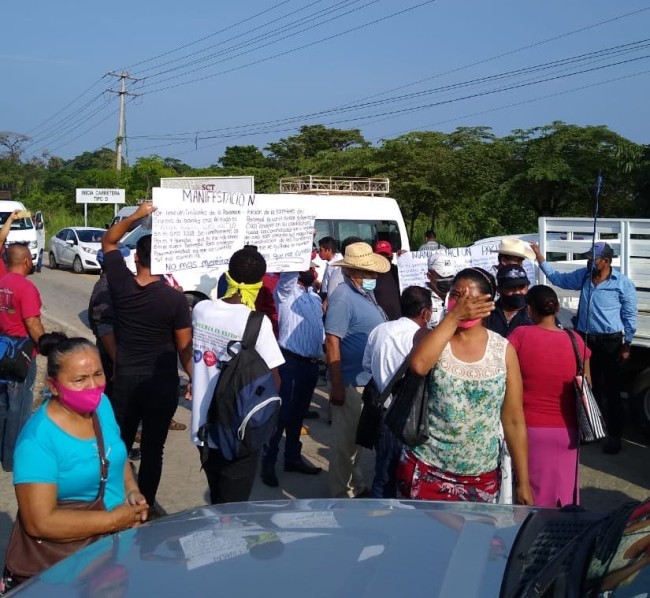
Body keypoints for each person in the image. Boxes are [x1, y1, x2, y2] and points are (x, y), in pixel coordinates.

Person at [3, 334, 147, 590]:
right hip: (67, 568)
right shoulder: (37, 440)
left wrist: (131, 489)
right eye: (80, 379)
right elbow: (40, 522)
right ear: (54, 386)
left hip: (114, 551)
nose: (93, 386)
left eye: (98, 374)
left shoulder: (101, 404)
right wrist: (114, 521)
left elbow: (114, 453)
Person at [398, 267, 533, 505]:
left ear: (487, 304)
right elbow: (419, 365)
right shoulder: (430, 338)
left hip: (481, 477)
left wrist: (523, 482)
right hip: (427, 468)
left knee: (476, 541)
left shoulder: (502, 350)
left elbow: (513, 419)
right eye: (455, 296)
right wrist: (453, 318)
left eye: (468, 298)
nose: (461, 304)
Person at [101, 201, 193, 512]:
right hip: (162, 383)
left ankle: (116, 500)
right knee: (154, 450)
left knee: (120, 446)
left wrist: (138, 216)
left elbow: (109, 240)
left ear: (136, 258)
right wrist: (195, 379)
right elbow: (184, 348)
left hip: (125, 379)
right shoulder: (175, 299)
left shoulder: (121, 286)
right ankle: (146, 505)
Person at [192, 246, 284, 504]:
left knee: (217, 495)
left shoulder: (200, 310)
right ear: (260, 282)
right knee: (233, 508)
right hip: (238, 429)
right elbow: (274, 380)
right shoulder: (257, 322)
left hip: (202, 426)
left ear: (227, 275)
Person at [530, 241, 637, 455]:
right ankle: (590, 430)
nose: (590, 262)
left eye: (594, 258)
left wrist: (627, 344)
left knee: (612, 390)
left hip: (610, 342)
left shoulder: (622, 283)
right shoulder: (584, 276)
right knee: (586, 387)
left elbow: (629, 314)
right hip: (585, 339)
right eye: (589, 258)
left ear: (606, 261)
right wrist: (540, 257)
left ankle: (615, 436)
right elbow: (558, 279)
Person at [508, 285, 591, 507]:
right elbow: (587, 385)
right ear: (556, 309)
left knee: (532, 499)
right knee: (564, 498)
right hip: (569, 432)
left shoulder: (520, 336)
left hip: (530, 430)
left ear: (529, 310)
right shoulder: (576, 341)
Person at [325, 242, 389, 498]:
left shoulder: (362, 293)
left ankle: (354, 485)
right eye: (370, 272)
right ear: (355, 272)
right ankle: (341, 493)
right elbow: (332, 341)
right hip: (351, 380)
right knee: (346, 443)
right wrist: (338, 385)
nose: (374, 276)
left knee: (355, 442)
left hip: (364, 379)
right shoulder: (343, 296)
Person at [362, 286, 432, 498]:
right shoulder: (425, 339)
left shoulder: (379, 330)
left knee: (383, 476)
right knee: (411, 479)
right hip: (411, 418)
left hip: (383, 413)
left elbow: (366, 366)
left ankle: (379, 521)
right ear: (425, 313)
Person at [260, 268, 324, 487]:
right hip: (291, 362)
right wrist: (301, 243)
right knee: (282, 415)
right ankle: (268, 461)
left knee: (298, 415)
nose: (311, 269)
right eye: (304, 265)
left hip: (310, 365)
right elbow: (288, 276)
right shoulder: (286, 292)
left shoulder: (314, 296)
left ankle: (292, 457)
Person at [0, 244, 44, 472]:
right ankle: (13, 459)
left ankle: (2, 452)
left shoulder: (2, 283)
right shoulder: (25, 287)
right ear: (26, 261)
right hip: (21, 355)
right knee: (20, 407)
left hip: (2, 350)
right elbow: (32, 323)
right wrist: (47, 345)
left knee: (3, 404)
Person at [485, 264, 532, 337]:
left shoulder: (536, 313)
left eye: (521, 287)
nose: (517, 292)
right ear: (499, 289)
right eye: (511, 288)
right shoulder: (487, 314)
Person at [426, 253, 460, 328]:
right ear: (429, 276)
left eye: (451, 276)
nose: (447, 281)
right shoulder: (421, 297)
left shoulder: (458, 296)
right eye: (442, 277)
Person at [372, 240, 401, 321]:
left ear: (391, 256)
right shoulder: (370, 274)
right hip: (379, 321)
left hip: (399, 320)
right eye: (380, 256)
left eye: (386, 256)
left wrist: (406, 257)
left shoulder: (397, 271)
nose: (383, 259)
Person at [317, 236, 342, 301]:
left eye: (321, 250)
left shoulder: (336, 265)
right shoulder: (330, 263)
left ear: (328, 250)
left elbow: (335, 286)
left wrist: (326, 300)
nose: (319, 253)